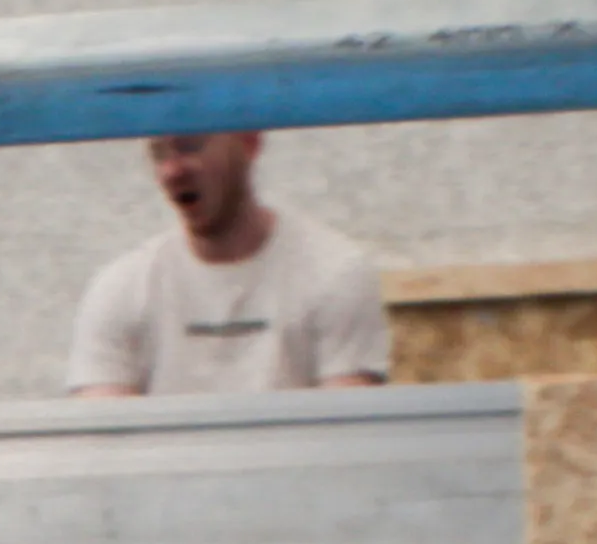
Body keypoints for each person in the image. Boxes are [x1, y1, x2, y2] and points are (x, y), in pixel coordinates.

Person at [67, 127, 390, 395]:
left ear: (249, 142)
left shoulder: (335, 272)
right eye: (158, 153)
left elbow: (345, 440)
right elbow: (104, 445)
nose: (172, 170)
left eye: (190, 146)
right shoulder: (120, 287)